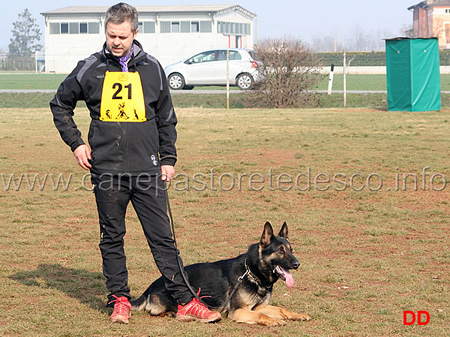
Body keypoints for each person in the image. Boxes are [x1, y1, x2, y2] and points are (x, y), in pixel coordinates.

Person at [50, 2, 221, 324]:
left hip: (148, 169)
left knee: (163, 237)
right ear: (106, 32)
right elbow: (60, 104)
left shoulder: (152, 68)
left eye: (123, 36)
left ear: (135, 33)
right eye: (112, 35)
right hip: (107, 170)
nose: (116, 42)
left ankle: (186, 301)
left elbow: (166, 118)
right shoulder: (89, 68)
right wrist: (76, 143)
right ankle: (119, 299)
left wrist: (168, 159)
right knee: (112, 236)